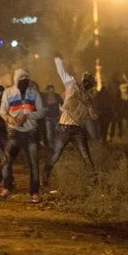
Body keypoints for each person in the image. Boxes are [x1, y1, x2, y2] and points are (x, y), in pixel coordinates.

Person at [43, 54, 98, 187]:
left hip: (77, 130)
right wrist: (57, 60)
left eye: (90, 82)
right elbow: (62, 72)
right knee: (55, 155)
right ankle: (44, 175)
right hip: (65, 128)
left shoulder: (88, 98)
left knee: (86, 156)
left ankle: (94, 180)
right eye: (87, 80)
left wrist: (91, 109)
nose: (87, 83)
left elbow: (93, 116)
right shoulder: (72, 84)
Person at [0, 68, 45, 202]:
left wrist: (28, 115)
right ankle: (7, 188)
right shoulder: (8, 92)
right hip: (14, 132)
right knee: (6, 160)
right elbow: (2, 111)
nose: (24, 81)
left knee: (33, 164)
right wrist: (10, 119)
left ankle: (34, 192)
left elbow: (41, 112)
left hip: (31, 132)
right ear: (16, 80)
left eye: (26, 79)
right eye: (21, 79)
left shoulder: (34, 92)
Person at [41, 84, 62, 150]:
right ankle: (51, 147)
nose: (51, 92)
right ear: (47, 91)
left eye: (52, 90)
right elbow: (41, 106)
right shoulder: (44, 97)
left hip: (56, 117)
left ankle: (57, 146)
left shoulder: (57, 95)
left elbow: (62, 104)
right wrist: (45, 109)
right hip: (48, 118)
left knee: (56, 132)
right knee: (49, 133)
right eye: (49, 90)